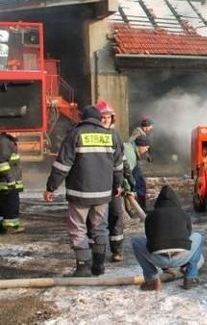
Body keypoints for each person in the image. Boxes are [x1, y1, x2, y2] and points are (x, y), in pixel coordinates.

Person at [43, 105, 124, 277]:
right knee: (101, 228)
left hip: (79, 193)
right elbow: (118, 165)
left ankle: (83, 268)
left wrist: (51, 187)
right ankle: (99, 266)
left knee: (78, 228)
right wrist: (118, 184)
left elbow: (62, 165)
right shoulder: (111, 136)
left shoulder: (75, 134)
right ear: (99, 119)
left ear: (83, 118)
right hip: (103, 193)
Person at [132, 185, 203, 291]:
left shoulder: (150, 216)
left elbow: (150, 239)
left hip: (158, 259)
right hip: (181, 257)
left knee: (136, 242)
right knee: (198, 237)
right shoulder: (183, 214)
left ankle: (152, 280)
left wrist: (164, 265)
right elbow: (187, 236)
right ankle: (190, 277)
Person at [95, 99, 134, 262]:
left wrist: (128, 178)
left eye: (108, 117)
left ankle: (117, 250)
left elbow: (122, 159)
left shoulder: (115, 135)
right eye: (102, 117)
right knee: (97, 220)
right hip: (96, 184)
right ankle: (97, 252)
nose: (106, 120)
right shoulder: (92, 135)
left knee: (116, 216)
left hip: (113, 185)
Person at [0, 132, 24, 234]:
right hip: (7, 183)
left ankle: (6, 226)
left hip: (8, 182)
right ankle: (11, 227)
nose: (18, 132)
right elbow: (2, 163)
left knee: (7, 204)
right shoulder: (4, 142)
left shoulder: (7, 141)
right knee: (11, 204)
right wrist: (11, 180)